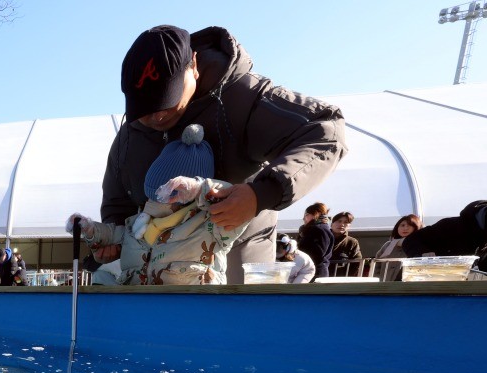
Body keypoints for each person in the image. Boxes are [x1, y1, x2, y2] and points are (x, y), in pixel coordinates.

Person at [102, 26, 346, 283]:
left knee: (230, 321)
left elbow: (326, 130)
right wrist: (114, 237)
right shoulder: (132, 130)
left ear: (193, 65)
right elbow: (118, 201)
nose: (156, 115)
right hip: (154, 273)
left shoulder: (243, 96)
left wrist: (259, 194)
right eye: (144, 107)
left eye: (166, 99)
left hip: (235, 258)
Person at [71, 124, 248, 285]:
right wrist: (90, 230)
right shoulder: (139, 223)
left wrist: (202, 189)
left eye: (162, 196)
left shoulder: (212, 224)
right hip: (140, 306)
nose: (153, 202)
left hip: (191, 309)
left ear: (185, 195)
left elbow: (239, 203)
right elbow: (114, 234)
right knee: (101, 278)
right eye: (151, 195)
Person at [403, 195, 487, 278]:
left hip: (459, 283)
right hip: (431, 279)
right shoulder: (453, 226)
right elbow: (411, 240)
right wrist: (423, 253)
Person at [298, 203, 334, 279]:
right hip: (314, 271)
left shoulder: (318, 230)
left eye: (306, 214)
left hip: (314, 272)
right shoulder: (321, 228)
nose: (304, 218)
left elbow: (318, 253)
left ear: (315, 214)